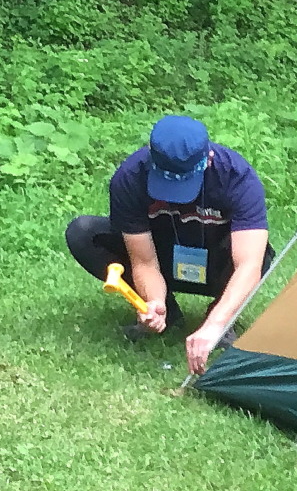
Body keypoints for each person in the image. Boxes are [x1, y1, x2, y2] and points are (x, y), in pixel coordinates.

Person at [66, 115, 274, 375]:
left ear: (208, 158)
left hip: (214, 263)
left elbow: (248, 265)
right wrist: (154, 301)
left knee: (260, 253)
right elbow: (143, 260)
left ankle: (221, 318)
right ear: (151, 156)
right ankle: (168, 313)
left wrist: (214, 325)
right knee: (84, 232)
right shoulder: (130, 177)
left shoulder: (237, 177)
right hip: (163, 256)